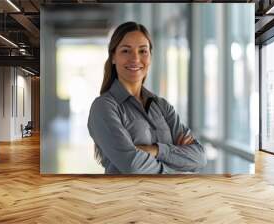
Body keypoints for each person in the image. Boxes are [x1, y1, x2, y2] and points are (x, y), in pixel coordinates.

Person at [87, 21, 207, 174]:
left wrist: (156, 150)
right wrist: (179, 168)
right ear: (113, 57)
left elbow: (200, 157)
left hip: (170, 198)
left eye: (143, 51)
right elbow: (132, 165)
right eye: (126, 51)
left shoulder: (162, 106)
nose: (135, 59)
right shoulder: (104, 107)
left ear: (150, 56)